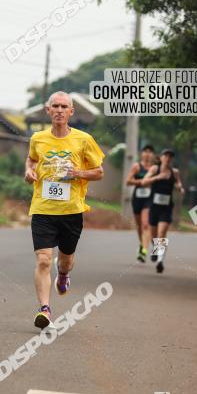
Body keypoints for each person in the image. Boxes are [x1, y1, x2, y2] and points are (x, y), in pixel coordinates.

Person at [24, 91, 105, 330]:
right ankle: (45, 310)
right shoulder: (37, 138)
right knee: (43, 260)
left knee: (65, 260)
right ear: (48, 111)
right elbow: (31, 160)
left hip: (71, 211)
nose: (59, 110)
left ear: (71, 112)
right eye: (55, 106)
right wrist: (29, 171)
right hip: (42, 209)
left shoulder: (83, 139)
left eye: (64, 107)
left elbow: (99, 172)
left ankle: (64, 274)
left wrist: (77, 173)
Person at [140, 149, 184, 274]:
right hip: (154, 206)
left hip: (166, 207)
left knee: (162, 232)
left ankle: (160, 261)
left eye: (171, 156)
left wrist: (180, 188)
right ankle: (156, 249)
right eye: (166, 155)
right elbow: (144, 182)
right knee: (154, 234)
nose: (168, 158)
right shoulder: (155, 169)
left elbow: (178, 183)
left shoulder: (174, 172)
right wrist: (158, 177)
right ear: (161, 157)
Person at [125, 144, 156, 262]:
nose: (148, 154)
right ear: (141, 153)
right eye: (145, 151)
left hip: (149, 199)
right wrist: (141, 182)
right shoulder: (136, 166)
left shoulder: (154, 168)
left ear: (153, 155)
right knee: (139, 226)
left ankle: (143, 251)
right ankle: (142, 245)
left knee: (145, 224)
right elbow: (128, 181)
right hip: (137, 199)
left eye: (150, 151)